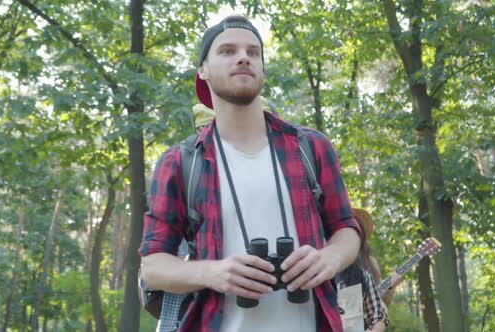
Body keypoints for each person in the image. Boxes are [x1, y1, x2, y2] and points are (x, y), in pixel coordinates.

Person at [140, 15, 361, 332]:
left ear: (262, 68)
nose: (243, 57)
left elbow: (347, 228)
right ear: (202, 70)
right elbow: (153, 266)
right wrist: (213, 273)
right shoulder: (179, 162)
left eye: (253, 52)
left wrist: (331, 258)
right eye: (227, 51)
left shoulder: (311, 148)